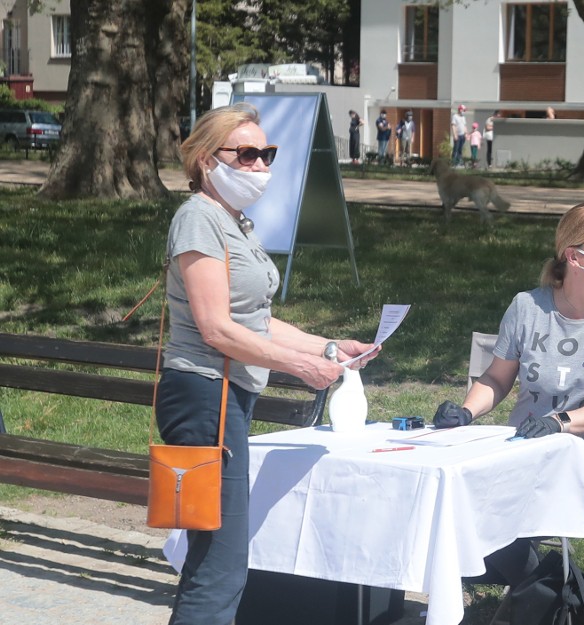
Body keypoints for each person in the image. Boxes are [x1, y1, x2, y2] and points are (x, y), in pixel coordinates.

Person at [160, 102, 379, 625]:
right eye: (249, 153)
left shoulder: (234, 221)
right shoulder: (198, 219)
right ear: (209, 159)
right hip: (202, 397)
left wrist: (327, 348)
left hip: (225, 396)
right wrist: (298, 368)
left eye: (268, 153)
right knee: (220, 566)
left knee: (220, 560)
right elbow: (216, 329)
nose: (261, 164)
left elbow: (256, 320)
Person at [432, 202, 584, 587]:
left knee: (503, 514)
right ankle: (550, 593)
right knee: (458, 504)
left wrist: (558, 424)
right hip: (522, 460)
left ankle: (548, 595)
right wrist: (466, 412)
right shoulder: (527, 307)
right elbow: (497, 380)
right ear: (574, 256)